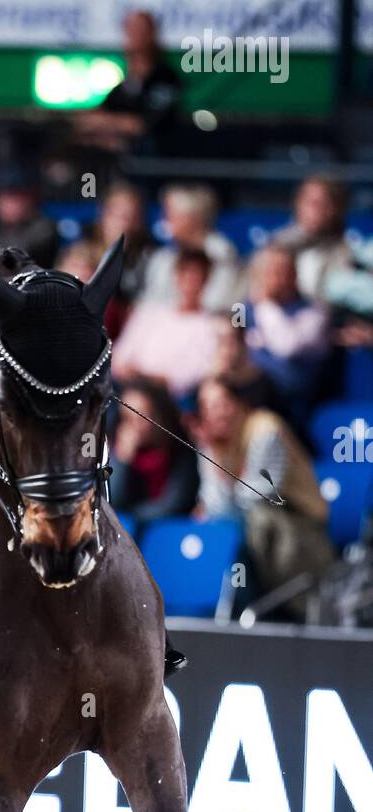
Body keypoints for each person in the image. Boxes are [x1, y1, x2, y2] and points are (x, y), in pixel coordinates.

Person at [192, 376, 334, 617]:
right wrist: (211, 455)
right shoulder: (214, 441)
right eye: (207, 407)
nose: (217, 414)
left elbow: (257, 495)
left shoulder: (266, 428)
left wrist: (219, 493)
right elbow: (218, 508)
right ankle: (228, 606)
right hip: (250, 523)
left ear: (240, 403)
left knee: (257, 520)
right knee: (215, 528)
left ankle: (258, 603)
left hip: (298, 527)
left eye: (222, 403)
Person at [112, 248, 222, 401]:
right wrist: (127, 370)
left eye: (197, 275)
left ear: (206, 280)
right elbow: (120, 355)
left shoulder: (210, 325)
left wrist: (153, 379)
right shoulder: (148, 313)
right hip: (127, 389)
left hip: (167, 401)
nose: (191, 280)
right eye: (185, 273)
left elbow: (193, 374)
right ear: (176, 276)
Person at [243, 244, 330, 434]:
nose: (274, 277)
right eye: (267, 271)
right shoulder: (242, 309)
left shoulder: (314, 313)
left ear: (294, 275)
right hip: (250, 392)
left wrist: (265, 304)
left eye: (281, 271)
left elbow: (285, 346)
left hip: (290, 401)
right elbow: (231, 340)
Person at [74, 11, 181, 155]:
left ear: (151, 34)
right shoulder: (127, 83)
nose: (132, 37)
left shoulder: (165, 79)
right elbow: (102, 111)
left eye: (138, 30)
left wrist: (107, 123)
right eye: (129, 31)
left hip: (154, 157)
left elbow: (145, 124)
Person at [110, 378, 199, 523]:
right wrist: (122, 460)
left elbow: (174, 504)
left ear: (159, 416)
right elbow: (113, 499)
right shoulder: (122, 453)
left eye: (142, 416)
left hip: (168, 530)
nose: (135, 426)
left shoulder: (180, 449)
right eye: (127, 418)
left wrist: (134, 517)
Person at [141, 184, 241, 313]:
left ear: (192, 218)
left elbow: (219, 302)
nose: (163, 219)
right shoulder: (163, 256)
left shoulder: (221, 253)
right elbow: (150, 298)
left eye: (170, 214)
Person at [273, 175, 354, 305]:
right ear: (298, 203)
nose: (318, 210)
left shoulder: (348, 251)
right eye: (313, 203)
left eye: (326, 204)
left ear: (337, 210)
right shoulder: (276, 245)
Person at [0, 165, 59, 269]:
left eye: (20, 197)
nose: (14, 204)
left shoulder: (44, 228)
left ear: (32, 199)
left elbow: (23, 254)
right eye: (8, 198)